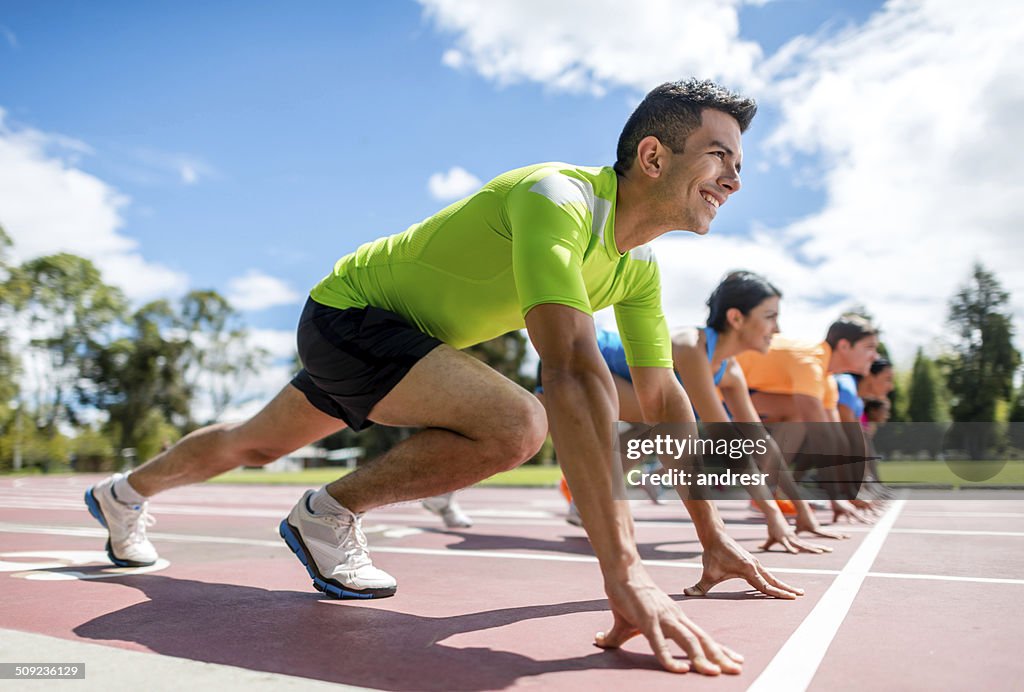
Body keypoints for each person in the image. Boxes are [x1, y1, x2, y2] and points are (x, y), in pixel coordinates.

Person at [85, 79, 780, 675]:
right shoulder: (558, 197)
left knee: (252, 443)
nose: (735, 180)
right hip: (352, 314)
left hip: (406, 347)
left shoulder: (636, 270)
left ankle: (122, 495)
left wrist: (710, 536)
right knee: (519, 422)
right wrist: (626, 572)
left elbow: (662, 400)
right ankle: (326, 515)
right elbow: (572, 372)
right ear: (653, 156)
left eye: (740, 164)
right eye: (721, 157)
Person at [735, 315, 880, 521]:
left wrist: (845, 494)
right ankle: (766, 493)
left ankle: (766, 493)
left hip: (743, 388)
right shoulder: (811, 362)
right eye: (870, 347)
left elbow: (835, 439)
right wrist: (837, 496)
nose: (875, 356)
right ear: (845, 346)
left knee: (803, 414)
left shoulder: (827, 379)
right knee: (803, 413)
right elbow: (821, 435)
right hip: (712, 379)